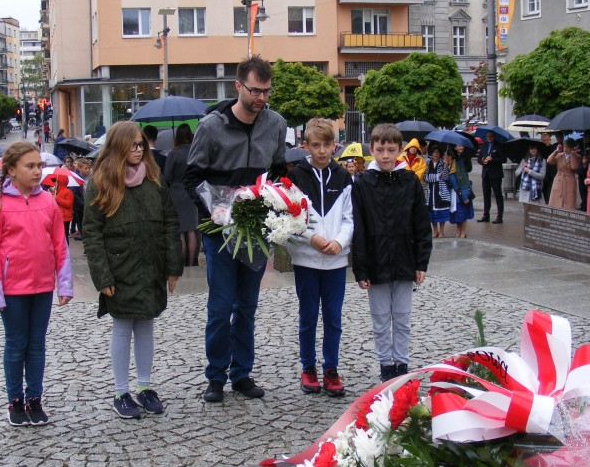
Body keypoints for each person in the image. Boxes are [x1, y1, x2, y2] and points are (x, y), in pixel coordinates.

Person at [185, 55, 287, 402]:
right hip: (219, 233)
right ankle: (215, 376)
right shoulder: (211, 126)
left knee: (247, 307)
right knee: (220, 306)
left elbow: (279, 173)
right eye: (255, 91)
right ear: (238, 87)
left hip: (257, 231)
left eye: (266, 91)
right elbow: (192, 177)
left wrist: (278, 203)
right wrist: (214, 208)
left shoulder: (275, 124)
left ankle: (242, 373)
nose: (261, 98)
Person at [83, 122, 183, 419]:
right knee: (123, 326)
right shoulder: (100, 182)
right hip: (119, 266)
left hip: (150, 264)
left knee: (146, 324)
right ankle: (120, 390)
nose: (139, 150)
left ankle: (145, 386)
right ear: (118, 146)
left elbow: (169, 222)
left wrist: (172, 267)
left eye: (141, 144)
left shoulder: (154, 178)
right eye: (133, 145)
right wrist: (102, 277)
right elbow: (92, 233)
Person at [0, 140, 73, 426]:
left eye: (39, 166)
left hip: (42, 286)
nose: (37, 171)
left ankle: (35, 398)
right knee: (16, 343)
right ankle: (15, 400)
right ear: (11, 169)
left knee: (36, 344)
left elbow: (60, 243)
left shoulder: (47, 201)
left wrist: (65, 284)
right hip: (13, 289)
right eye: (30, 166)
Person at [351, 123, 433, 381]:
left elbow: (421, 224)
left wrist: (422, 262)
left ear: (399, 150)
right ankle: (385, 363)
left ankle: (402, 362)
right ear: (371, 151)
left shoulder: (410, 181)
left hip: (404, 259)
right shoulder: (363, 184)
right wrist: (360, 267)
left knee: (402, 317)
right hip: (375, 261)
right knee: (380, 318)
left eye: (390, 150)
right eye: (380, 150)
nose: (385, 155)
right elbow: (359, 228)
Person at [285, 118, 353, 397]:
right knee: (309, 315)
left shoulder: (344, 177)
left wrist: (339, 242)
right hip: (306, 259)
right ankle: (308, 366)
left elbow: (350, 218)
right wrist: (311, 239)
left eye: (327, 145)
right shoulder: (297, 177)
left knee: (333, 318)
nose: (322, 151)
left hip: (336, 260)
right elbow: (291, 218)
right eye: (316, 145)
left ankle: (331, 368)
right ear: (306, 147)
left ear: (335, 146)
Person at [163, 123, 200, 267]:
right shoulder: (195, 152)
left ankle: (181, 262)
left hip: (177, 193)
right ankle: (192, 262)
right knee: (191, 229)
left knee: (180, 230)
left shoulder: (174, 153)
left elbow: (166, 177)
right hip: (192, 193)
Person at [476, 131, 506, 223]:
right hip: (486, 174)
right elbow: (479, 158)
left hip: (495, 174)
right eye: (487, 136)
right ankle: (486, 215)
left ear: (494, 136)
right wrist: (483, 161)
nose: (489, 138)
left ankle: (499, 216)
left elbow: (503, 159)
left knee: (498, 195)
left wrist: (492, 159)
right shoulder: (484, 146)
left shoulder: (499, 146)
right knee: (486, 195)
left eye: (491, 136)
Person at [424, 146, 451, 238]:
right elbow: (426, 177)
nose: (435, 154)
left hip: (440, 192)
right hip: (430, 191)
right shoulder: (427, 164)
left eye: (437, 152)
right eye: (434, 152)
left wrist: (446, 167)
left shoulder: (442, 164)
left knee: (441, 211)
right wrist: (436, 176)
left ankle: (442, 231)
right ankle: (435, 231)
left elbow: (445, 177)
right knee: (432, 211)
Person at [446, 148, 473, 238]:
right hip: (454, 193)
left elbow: (464, 181)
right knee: (457, 212)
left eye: (445, 156)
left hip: (461, 192)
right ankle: (458, 231)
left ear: (450, 157)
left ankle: (463, 232)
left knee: (463, 212)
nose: (443, 158)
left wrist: (465, 196)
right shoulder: (448, 166)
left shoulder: (458, 165)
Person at [547, 138, 581, 210]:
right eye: (565, 146)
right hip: (559, 178)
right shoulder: (560, 155)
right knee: (556, 200)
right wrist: (556, 151)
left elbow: (574, 167)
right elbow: (549, 161)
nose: (565, 149)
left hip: (569, 179)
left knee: (568, 201)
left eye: (568, 147)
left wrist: (573, 154)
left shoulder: (577, 156)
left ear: (572, 148)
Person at [69, 156, 91, 239]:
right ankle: (81, 233)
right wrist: (81, 203)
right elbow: (74, 192)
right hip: (79, 205)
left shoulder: (90, 178)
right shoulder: (76, 178)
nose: (87, 170)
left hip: (88, 203)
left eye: (88, 168)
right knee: (79, 219)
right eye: (85, 168)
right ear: (80, 168)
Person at [53, 174, 74, 242]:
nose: (54, 183)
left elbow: (68, 204)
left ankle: (66, 250)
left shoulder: (68, 192)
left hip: (65, 218)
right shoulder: (56, 192)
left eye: (55, 181)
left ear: (59, 181)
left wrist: (57, 198)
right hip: (57, 216)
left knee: (64, 235)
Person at [541, 132, 556, 204]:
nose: (545, 142)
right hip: (543, 172)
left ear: (550, 140)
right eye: (544, 140)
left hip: (552, 172)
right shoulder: (540, 149)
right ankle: (547, 201)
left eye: (547, 140)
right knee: (544, 188)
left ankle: (549, 202)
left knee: (550, 190)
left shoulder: (553, 149)